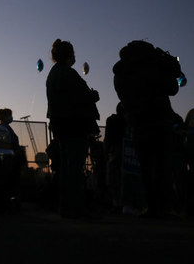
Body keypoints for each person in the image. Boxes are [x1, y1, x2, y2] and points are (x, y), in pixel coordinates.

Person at [112, 40, 181, 217]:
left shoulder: (120, 73)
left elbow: (123, 97)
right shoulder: (152, 67)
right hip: (161, 121)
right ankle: (164, 207)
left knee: (145, 167)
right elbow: (173, 88)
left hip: (138, 123)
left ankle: (151, 206)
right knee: (163, 167)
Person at [45, 39, 100, 219]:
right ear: (69, 55)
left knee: (67, 167)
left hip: (62, 124)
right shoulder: (68, 73)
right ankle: (74, 207)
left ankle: (66, 206)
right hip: (74, 125)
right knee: (74, 167)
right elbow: (78, 98)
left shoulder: (54, 74)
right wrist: (93, 96)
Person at [0, 108, 25, 204]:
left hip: (11, 158)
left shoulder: (4, 128)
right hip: (11, 159)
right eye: (10, 115)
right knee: (12, 181)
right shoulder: (5, 128)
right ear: (6, 117)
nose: (11, 117)